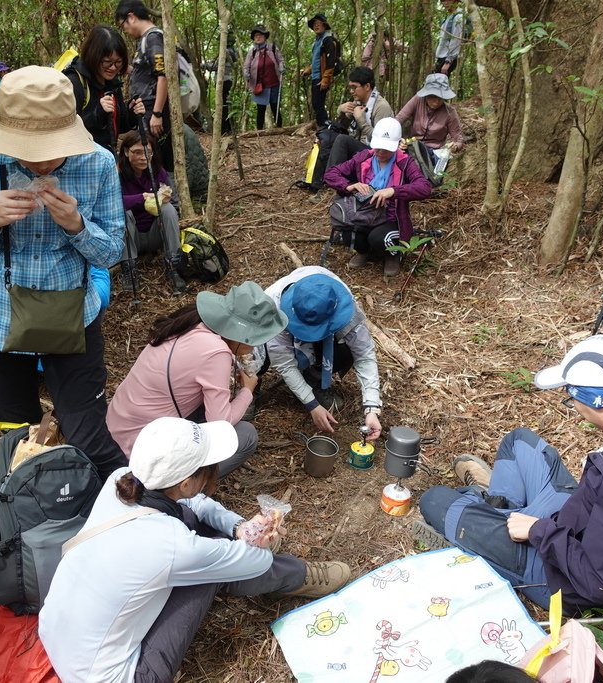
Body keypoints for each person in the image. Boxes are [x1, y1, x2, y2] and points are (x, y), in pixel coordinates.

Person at [416, 335, 603, 613]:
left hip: (562, 576)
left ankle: (490, 531)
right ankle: (498, 515)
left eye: (571, 398)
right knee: (519, 440)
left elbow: (599, 583)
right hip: (579, 518)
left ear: (591, 401)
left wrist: (537, 531)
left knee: (435, 500)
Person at [39, 416, 352, 682]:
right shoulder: (173, 546)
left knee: (191, 520)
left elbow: (193, 503)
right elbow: (253, 562)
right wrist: (261, 540)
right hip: (116, 676)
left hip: (59, 637)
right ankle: (297, 577)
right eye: (206, 468)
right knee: (211, 569)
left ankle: (278, 573)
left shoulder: (120, 480)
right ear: (187, 481)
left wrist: (239, 527)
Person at [0, 66, 127, 481]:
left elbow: (111, 251)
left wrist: (77, 225)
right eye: (29, 148)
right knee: (16, 430)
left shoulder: (98, 163)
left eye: (52, 147)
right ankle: (27, 513)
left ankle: (122, 513)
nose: (41, 161)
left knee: (88, 430)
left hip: (71, 313)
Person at [106, 281, 286, 474]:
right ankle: (181, 489)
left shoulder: (192, 321)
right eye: (255, 341)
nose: (252, 348)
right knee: (246, 435)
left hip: (118, 430)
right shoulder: (217, 353)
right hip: (139, 454)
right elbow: (220, 422)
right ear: (242, 334)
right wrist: (247, 391)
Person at [258, 266, 383, 440]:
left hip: (325, 325)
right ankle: (250, 388)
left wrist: (371, 408)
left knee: (346, 352)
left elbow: (364, 354)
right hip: (268, 334)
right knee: (256, 353)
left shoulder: (342, 304)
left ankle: (313, 379)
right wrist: (311, 404)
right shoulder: (272, 307)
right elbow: (284, 363)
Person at [323, 117, 431, 275]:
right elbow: (331, 173)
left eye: (385, 149)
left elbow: (425, 188)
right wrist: (349, 186)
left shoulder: (405, 163)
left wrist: (393, 191)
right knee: (346, 232)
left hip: (391, 218)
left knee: (379, 238)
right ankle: (364, 251)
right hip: (364, 213)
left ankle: (393, 255)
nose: (380, 153)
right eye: (378, 148)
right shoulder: (365, 157)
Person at [304, 66, 395, 193]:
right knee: (329, 136)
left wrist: (360, 120)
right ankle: (321, 182)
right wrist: (341, 110)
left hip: (376, 155)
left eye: (354, 87)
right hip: (360, 150)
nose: (352, 91)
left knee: (342, 140)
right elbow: (344, 128)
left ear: (367, 86)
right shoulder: (358, 102)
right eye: (350, 87)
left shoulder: (381, 106)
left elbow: (381, 141)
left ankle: (333, 182)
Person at [116, 130, 186, 293]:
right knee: (123, 213)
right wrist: (142, 197)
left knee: (168, 209)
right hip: (131, 239)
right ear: (126, 152)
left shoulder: (158, 172)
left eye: (148, 152)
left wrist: (165, 196)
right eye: (137, 152)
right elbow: (115, 203)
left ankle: (173, 265)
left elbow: (168, 195)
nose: (143, 157)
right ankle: (129, 270)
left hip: (155, 234)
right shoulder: (117, 174)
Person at [63, 25, 145, 154]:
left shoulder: (112, 82)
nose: (113, 68)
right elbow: (67, 128)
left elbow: (118, 126)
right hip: (82, 158)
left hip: (107, 156)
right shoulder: (75, 82)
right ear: (93, 57)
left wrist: (132, 113)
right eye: (107, 62)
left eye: (118, 62)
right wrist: (98, 113)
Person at [116, 1, 175, 171]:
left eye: (123, 25)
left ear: (131, 17)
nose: (125, 30)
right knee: (151, 154)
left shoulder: (153, 38)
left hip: (153, 107)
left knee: (156, 155)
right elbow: (148, 72)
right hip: (145, 108)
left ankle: (166, 194)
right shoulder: (144, 41)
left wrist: (157, 113)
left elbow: (163, 75)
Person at [396, 73, 465, 183]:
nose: (436, 101)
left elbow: (459, 140)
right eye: (433, 97)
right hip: (413, 147)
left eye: (440, 98)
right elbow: (398, 120)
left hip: (434, 154)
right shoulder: (417, 101)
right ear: (426, 94)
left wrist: (454, 146)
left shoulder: (450, 112)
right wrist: (399, 140)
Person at [301, 13, 340, 126]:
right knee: (316, 103)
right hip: (315, 76)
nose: (316, 26)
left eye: (319, 24)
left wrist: (326, 79)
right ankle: (322, 126)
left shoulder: (327, 40)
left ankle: (325, 126)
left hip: (322, 77)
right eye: (314, 24)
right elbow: (317, 61)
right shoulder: (316, 42)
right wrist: (308, 70)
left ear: (324, 25)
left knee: (318, 103)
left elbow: (330, 60)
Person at [243, 24, 285, 130]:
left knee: (275, 107)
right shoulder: (252, 51)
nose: (258, 37)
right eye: (256, 35)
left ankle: (280, 130)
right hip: (260, 85)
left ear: (265, 37)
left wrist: (281, 67)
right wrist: (246, 74)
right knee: (260, 109)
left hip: (274, 83)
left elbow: (281, 60)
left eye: (260, 35)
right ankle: (259, 132)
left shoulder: (273, 48)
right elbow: (246, 65)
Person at [202, 31, 239, 134]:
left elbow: (215, 67)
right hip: (227, 81)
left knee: (223, 106)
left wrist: (203, 65)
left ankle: (225, 129)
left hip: (224, 81)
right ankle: (226, 129)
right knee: (225, 106)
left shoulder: (227, 52)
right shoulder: (231, 51)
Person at [435, 0, 466, 76]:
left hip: (447, 58)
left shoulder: (459, 16)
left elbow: (456, 40)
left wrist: (448, 62)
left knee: (438, 85)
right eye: (443, 1)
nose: (445, 3)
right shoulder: (448, 17)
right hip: (442, 57)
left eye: (448, 0)